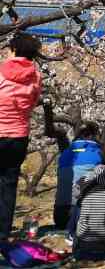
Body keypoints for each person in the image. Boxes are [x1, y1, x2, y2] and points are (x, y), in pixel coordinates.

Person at [0, 33, 42, 242]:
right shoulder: (36, 76)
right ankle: (3, 232)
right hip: (19, 136)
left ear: (14, 50)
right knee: (8, 183)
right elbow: (33, 103)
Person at [43, 102, 102, 231]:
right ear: (93, 135)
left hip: (60, 216)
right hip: (85, 217)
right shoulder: (99, 152)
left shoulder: (66, 153)